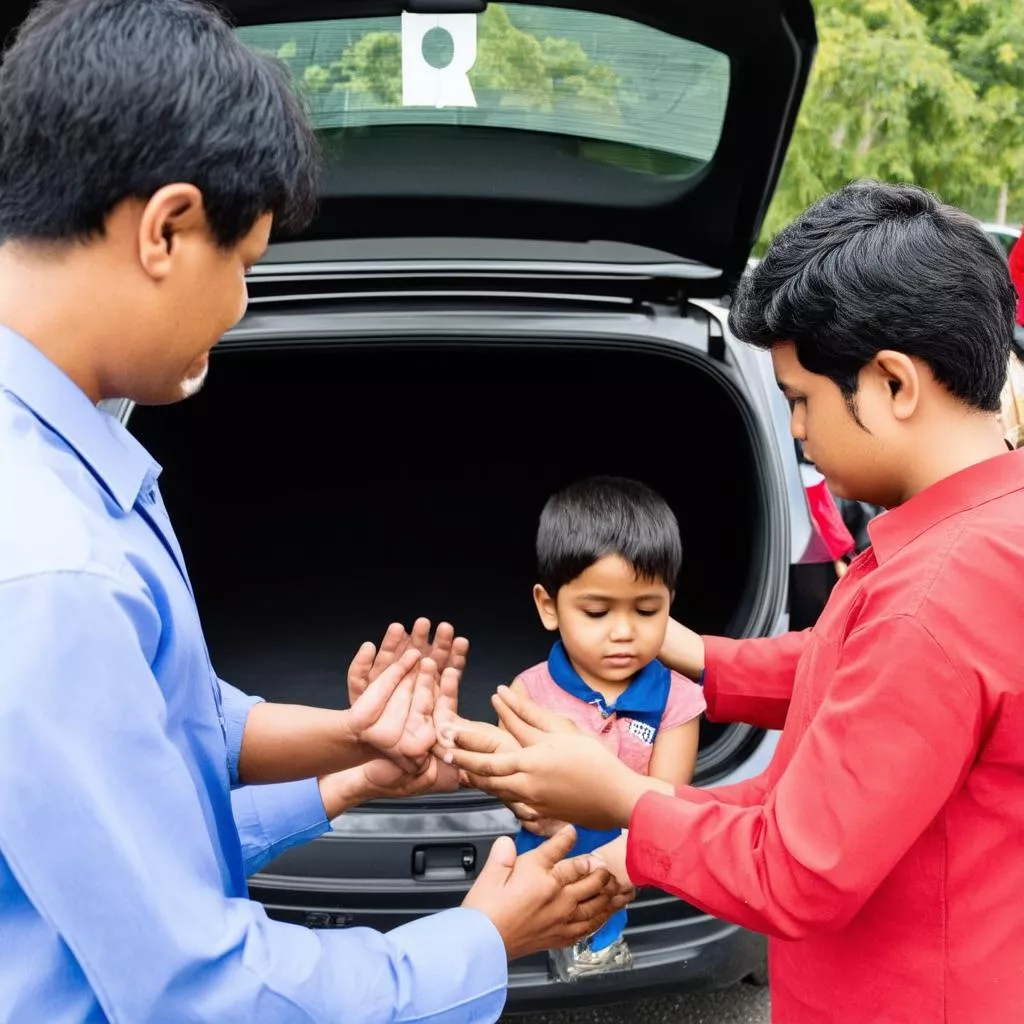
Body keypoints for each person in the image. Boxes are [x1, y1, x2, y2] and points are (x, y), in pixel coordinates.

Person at [0, 2, 629, 1021]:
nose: (239, 305)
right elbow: (197, 988)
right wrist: (478, 939)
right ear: (165, 227)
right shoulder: (49, 568)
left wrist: (350, 749)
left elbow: (156, 743)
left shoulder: (58, 474)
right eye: (242, 265)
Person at [449, 180, 1024, 1023]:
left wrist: (620, 797)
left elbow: (800, 866)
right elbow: (846, 683)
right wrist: (682, 666)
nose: (796, 432)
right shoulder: (983, 536)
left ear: (894, 384)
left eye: (801, 400)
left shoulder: (930, 599)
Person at [507, 476, 705, 977]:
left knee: (598, 926)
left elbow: (666, 799)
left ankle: (602, 949)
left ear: (670, 603)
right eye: (596, 611)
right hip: (544, 849)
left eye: (646, 610)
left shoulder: (678, 698)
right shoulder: (530, 691)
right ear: (548, 606)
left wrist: (606, 850)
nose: (623, 632)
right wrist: (533, 809)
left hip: (622, 857)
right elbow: (513, 781)